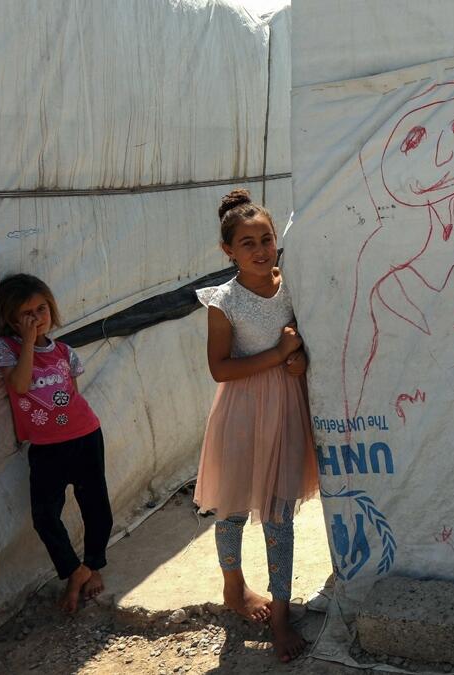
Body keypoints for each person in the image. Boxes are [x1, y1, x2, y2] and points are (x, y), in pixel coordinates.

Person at [194, 188, 318, 661]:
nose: (261, 250)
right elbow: (220, 368)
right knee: (231, 510)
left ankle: (282, 614)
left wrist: (299, 361)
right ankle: (235, 588)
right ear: (228, 250)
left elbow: (303, 345)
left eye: (266, 239)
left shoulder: (292, 284)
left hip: (285, 410)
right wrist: (279, 355)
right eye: (248, 243)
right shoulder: (223, 301)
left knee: (280, 516)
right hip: (241, 414)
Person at [0, 274, 111, 613]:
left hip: (85, 435)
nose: (36, 318)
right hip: (46, 446)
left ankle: (92, 565)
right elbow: (19, 385)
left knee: (96, 505)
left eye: (41, 309)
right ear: (11, 319)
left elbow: (71, 394)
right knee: (45, 515)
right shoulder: (7, 349)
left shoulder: (65, 351)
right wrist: (28, 342)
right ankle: (75, 571)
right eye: (26, 313)